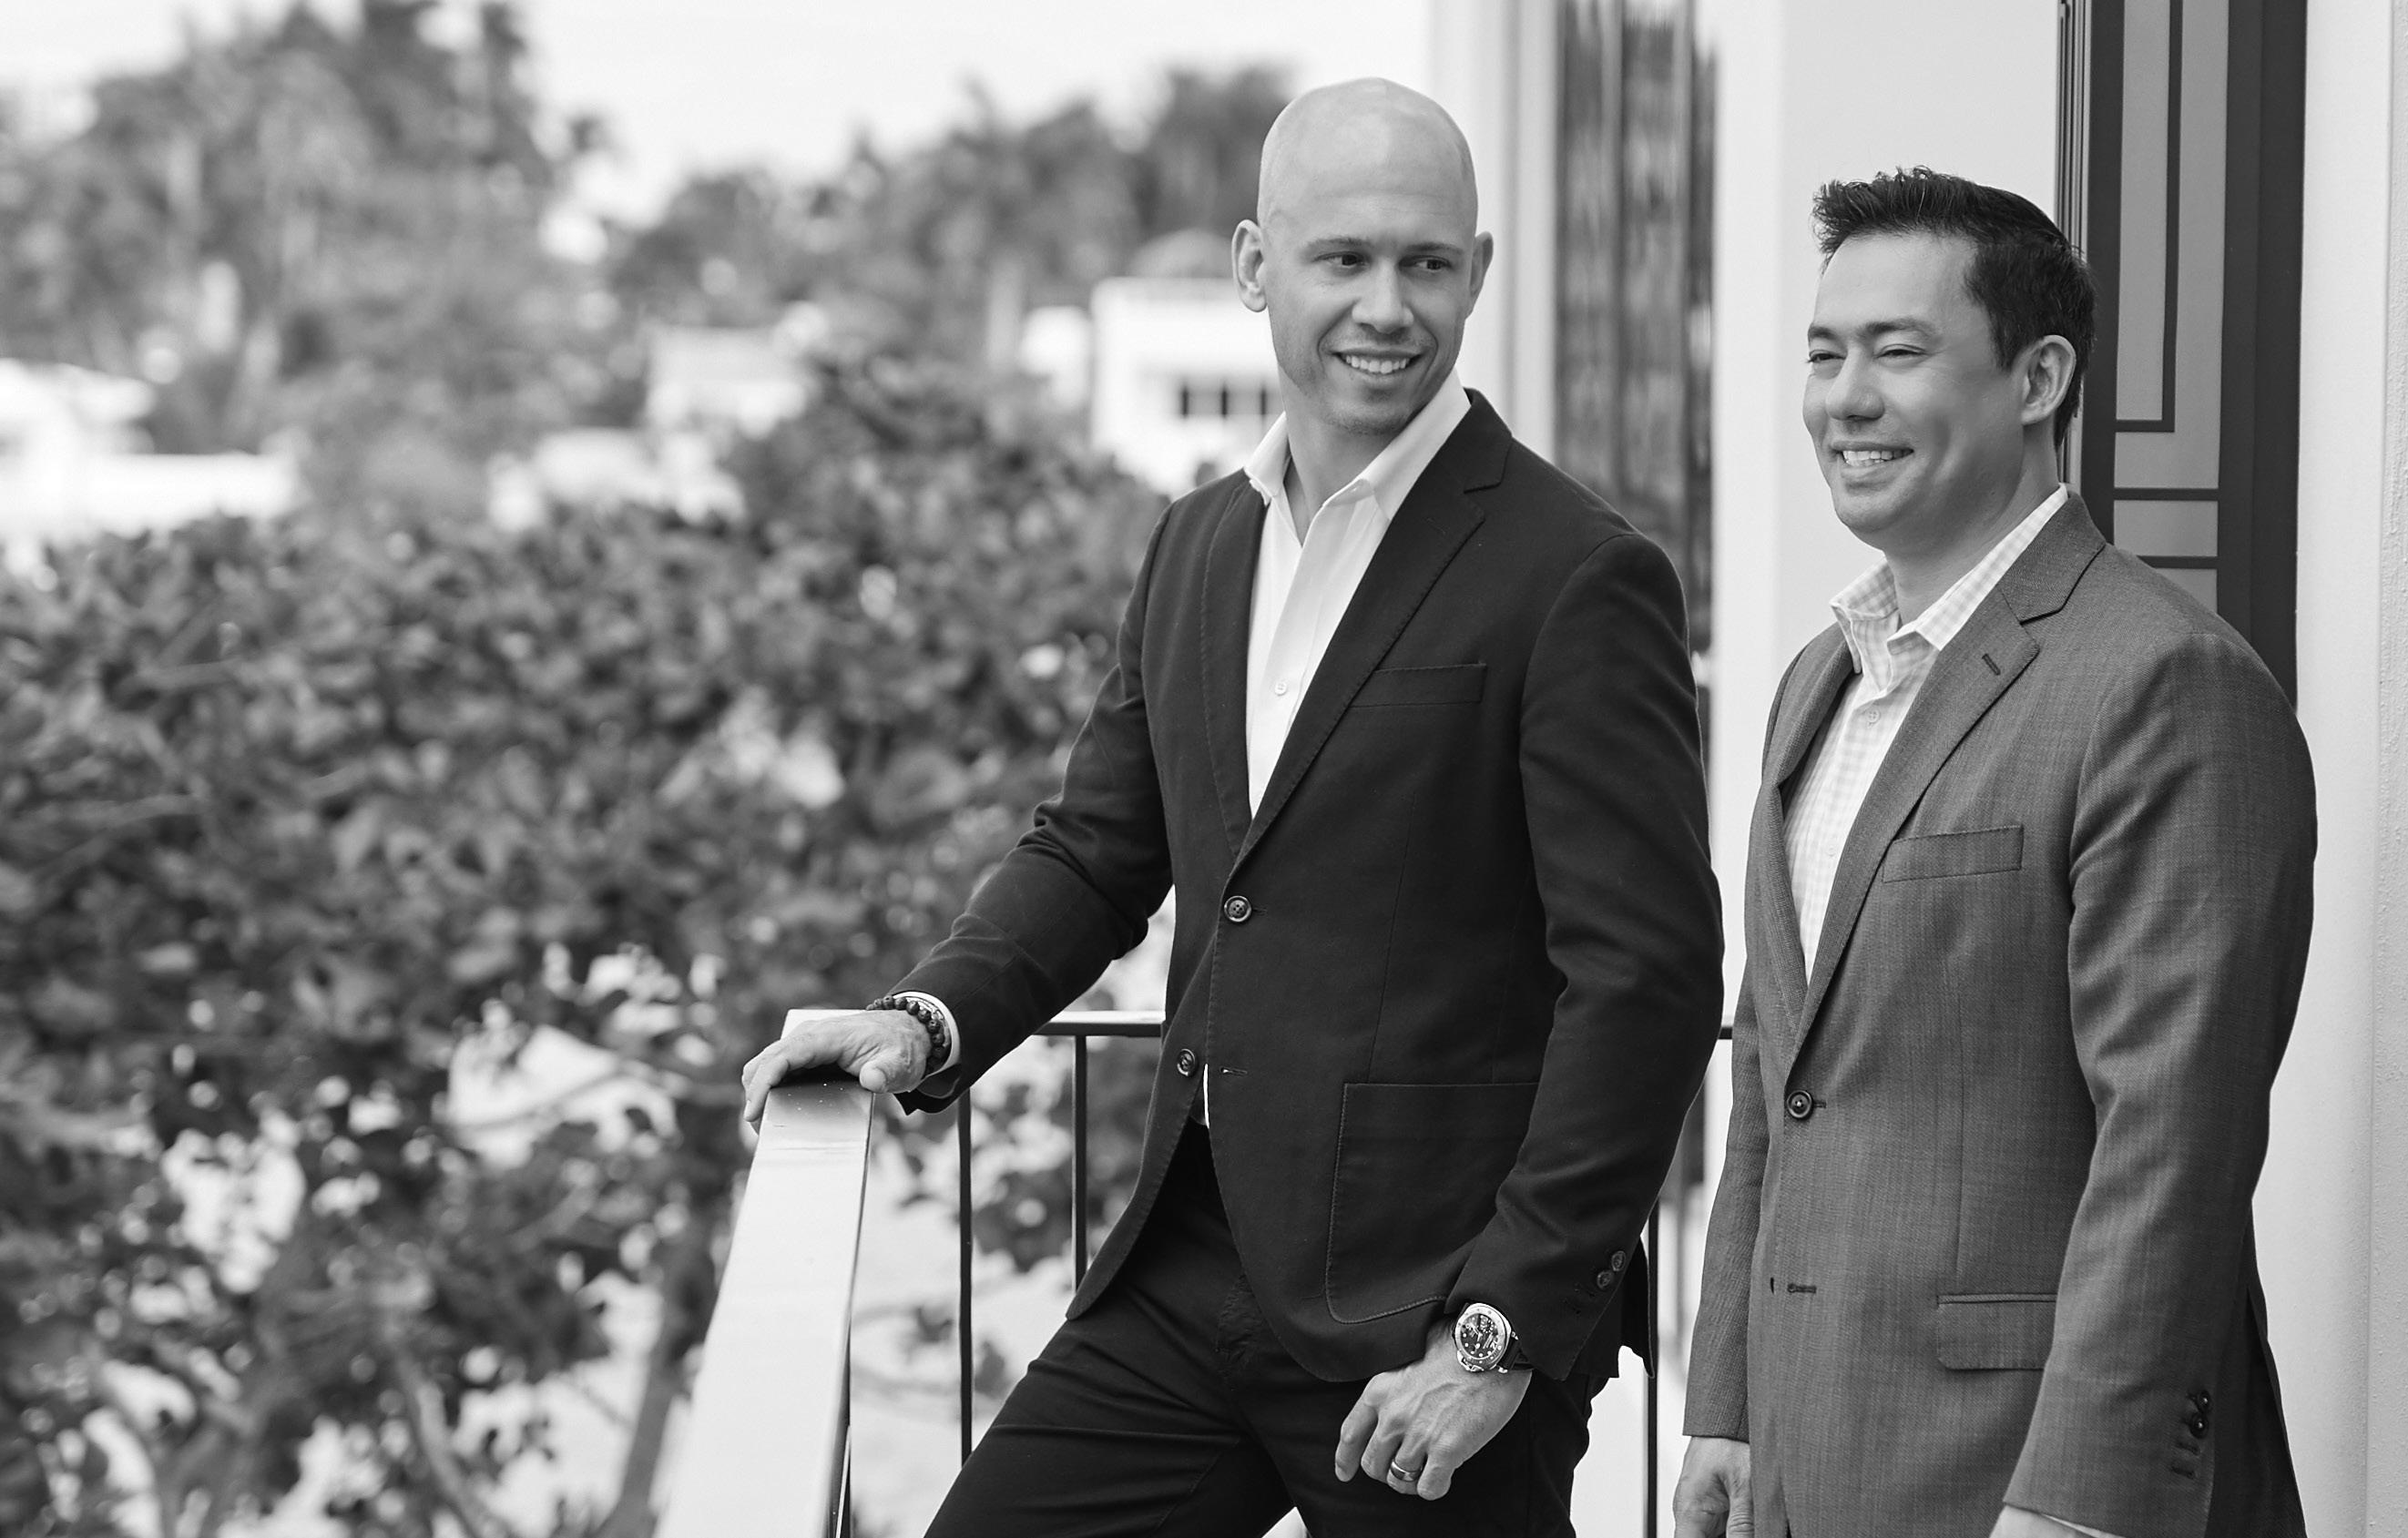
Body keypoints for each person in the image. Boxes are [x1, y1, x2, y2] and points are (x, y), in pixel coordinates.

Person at [742, 78, 1721, 1536]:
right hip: (1189, 1267)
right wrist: (925, 1019)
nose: (1386, 306)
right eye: (1344, 259)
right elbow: (1097, 849)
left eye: (1426, 263)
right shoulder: (1198, 543)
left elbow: (1648, 979)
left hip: (1434, 1314)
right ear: (1259, 266)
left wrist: (1499, 1335)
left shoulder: (1578, 573)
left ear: (1477, 273)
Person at [1671, 168, 2314, 1538]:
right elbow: (1776, 1073)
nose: (1845, 399)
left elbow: (2173, 1144)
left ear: (2040, 379)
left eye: (1897, 352)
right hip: (1805, 1456)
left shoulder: (2164, 683)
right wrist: (1725, 1399)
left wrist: (2081, 1500)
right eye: (1825, 354)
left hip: (2023, 1478)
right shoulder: (1817, 685)